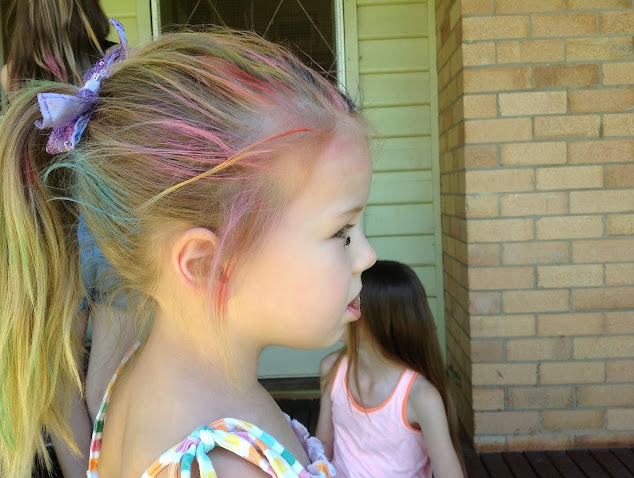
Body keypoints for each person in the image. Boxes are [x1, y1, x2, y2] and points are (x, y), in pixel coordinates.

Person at [0, 17, 377, 477]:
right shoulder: (221, 467)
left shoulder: (138, 382)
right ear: (204, 264)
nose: (367, 256)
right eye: (342, 232)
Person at [0, 3, 135, 477]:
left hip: (47, 229)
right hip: (109, 221)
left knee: (59, 376)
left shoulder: (12, 75)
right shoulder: (118, 62)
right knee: (113, 376)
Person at [316, 260, 466, 478]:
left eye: (347, 305)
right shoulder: (332, 369)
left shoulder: (421, 397)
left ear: (378, 321)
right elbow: (323, 445)